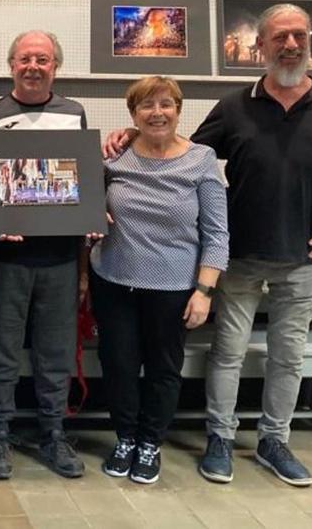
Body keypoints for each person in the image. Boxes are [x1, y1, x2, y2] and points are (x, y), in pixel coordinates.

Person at [104, 3, 312, 487]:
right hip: (238, 258)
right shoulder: (233, 107)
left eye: (299, 35)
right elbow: (178, 149)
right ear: (259, 46)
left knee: (289, 357)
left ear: (310, 43)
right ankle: (220, 439)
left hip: (304, 260)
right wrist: (132, 131)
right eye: (279, 37)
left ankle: (273, 441)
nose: (290, 45)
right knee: (228, 353)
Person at [0, 30, 90, 481]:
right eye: (24, 59)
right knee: (1, 352)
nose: (33, 66)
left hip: (58, 257)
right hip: (4, 259)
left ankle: (52, 434)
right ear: (10, 64)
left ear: (55, 65)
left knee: (54, 353)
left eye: (42, 59)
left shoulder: (73, 115)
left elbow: (81, 178)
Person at [90, 76, 229, 485]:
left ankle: (150, 443)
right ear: (132, 114)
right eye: (146, 106)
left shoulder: (201, 159)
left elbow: (217, 233)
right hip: (113, 279)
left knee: (164, 370)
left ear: (178, 110)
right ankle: (125, 439)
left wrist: (204, 291)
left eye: (166, 104)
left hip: (174, 286)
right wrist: (94, 213)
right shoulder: (114, 155)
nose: (157, 113)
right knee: (118, 365)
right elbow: (85, 200)